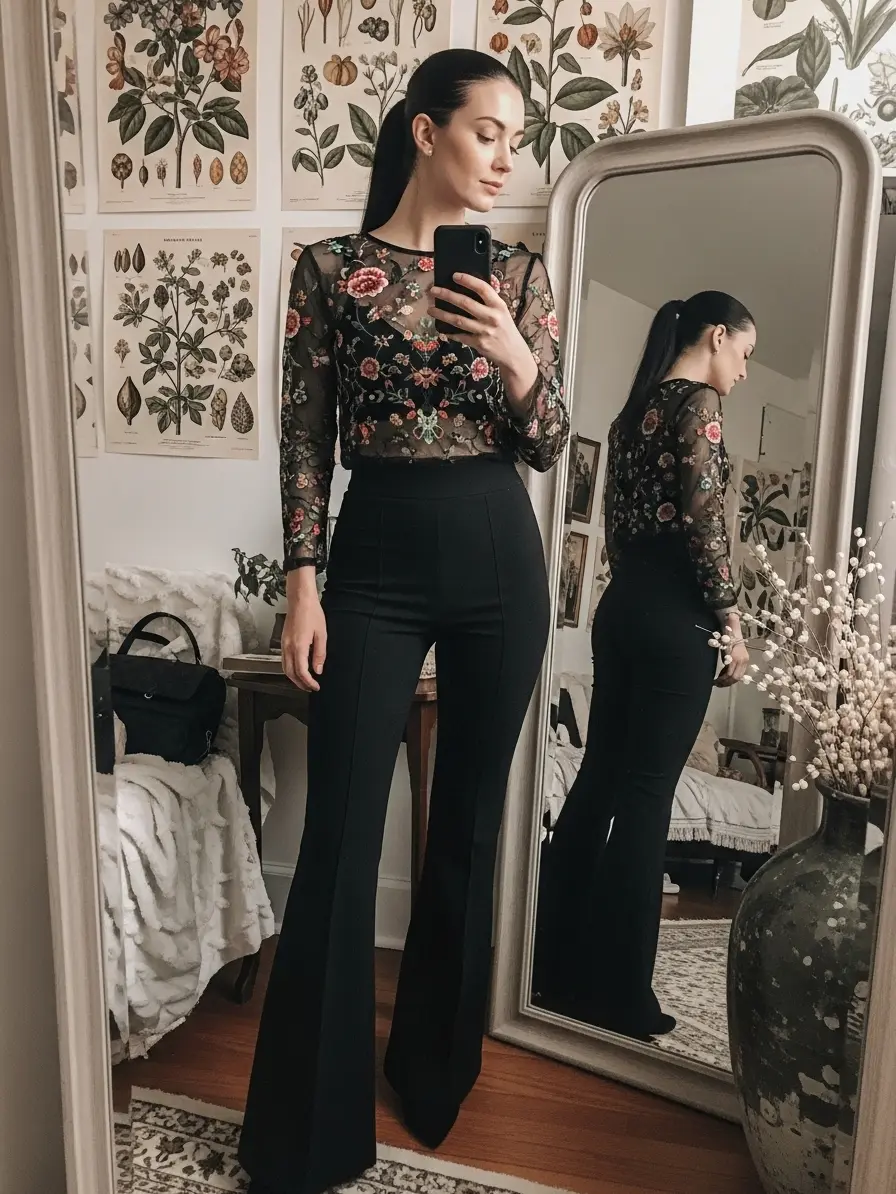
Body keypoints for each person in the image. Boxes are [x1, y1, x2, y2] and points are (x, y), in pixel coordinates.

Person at [238, 48, 569, 1194]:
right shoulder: (329, 271)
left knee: (467, 822)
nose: (504, 159)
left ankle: (433, 1072)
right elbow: (302, 439)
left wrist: (516, 358)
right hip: (372, 555)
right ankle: (304, 1135)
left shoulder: (516, 275)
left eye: (516, 140)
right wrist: (302, 583)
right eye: (487, 132)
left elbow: (547, 443)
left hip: (495, 555)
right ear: (425, 131)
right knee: (338, 832)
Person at [532, 291, 753, 1043]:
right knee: (648, 798)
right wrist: (730, 622)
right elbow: (704, 523)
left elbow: (623, 534)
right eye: (745, 354)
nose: (743, 372)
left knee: (599, 783)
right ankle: (620, 995)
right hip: (674, 618)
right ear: (717, 336)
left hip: (622, 606)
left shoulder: (633, 416)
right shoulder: (698, 406)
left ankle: (551, 969)